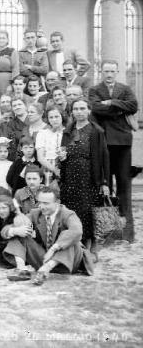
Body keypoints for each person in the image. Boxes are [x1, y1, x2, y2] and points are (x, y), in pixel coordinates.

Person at [1, 187, 94, 285]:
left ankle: (46, 269)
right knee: (18, 234)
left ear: (57, 202)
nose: (41, 206)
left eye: (46, 203)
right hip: (44, 259)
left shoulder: (67, 214)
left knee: (68, 237)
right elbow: (6, 230)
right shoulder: (35, 213)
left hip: (68, 261)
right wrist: (15, 230)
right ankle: (21, 270)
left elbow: (77, 231)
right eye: (40, 202)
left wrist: (54, 248)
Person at [89, 60, 139, 243]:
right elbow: (95, 108)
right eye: (106, 71)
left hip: (123, 142)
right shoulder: (95, 90)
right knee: (106, 186)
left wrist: (111, 102)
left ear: (117, 71)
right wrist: (118, 109)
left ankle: (127, 234)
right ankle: (109, 233)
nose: (109, 74)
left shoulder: (125, 89)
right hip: (104, 142)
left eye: (112, 71)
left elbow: (133, 106)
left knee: (124, 187)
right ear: (101, 71)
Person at [58, 98, 110, 256]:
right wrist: (61, 158)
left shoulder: (96, 131)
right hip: (70, 177)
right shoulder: (68, 131)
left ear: (89, 111)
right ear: (72, 112)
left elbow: (104, 157)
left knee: (88, 211)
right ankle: (75, 245)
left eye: (82, 108)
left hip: (88, 177)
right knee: (72, 210)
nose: (79, 112)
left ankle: (91, 244)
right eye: (76, 109)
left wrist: (104, 182)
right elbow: (62, 154)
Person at [35, 106, 64, 186]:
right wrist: (55, 169)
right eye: (51, 117)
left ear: (62, 116)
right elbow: (40, 158)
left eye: (56, 116)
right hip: (48, 167)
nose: (54, 120)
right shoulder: (43, 133)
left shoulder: (67, 133)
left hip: (65, 166)